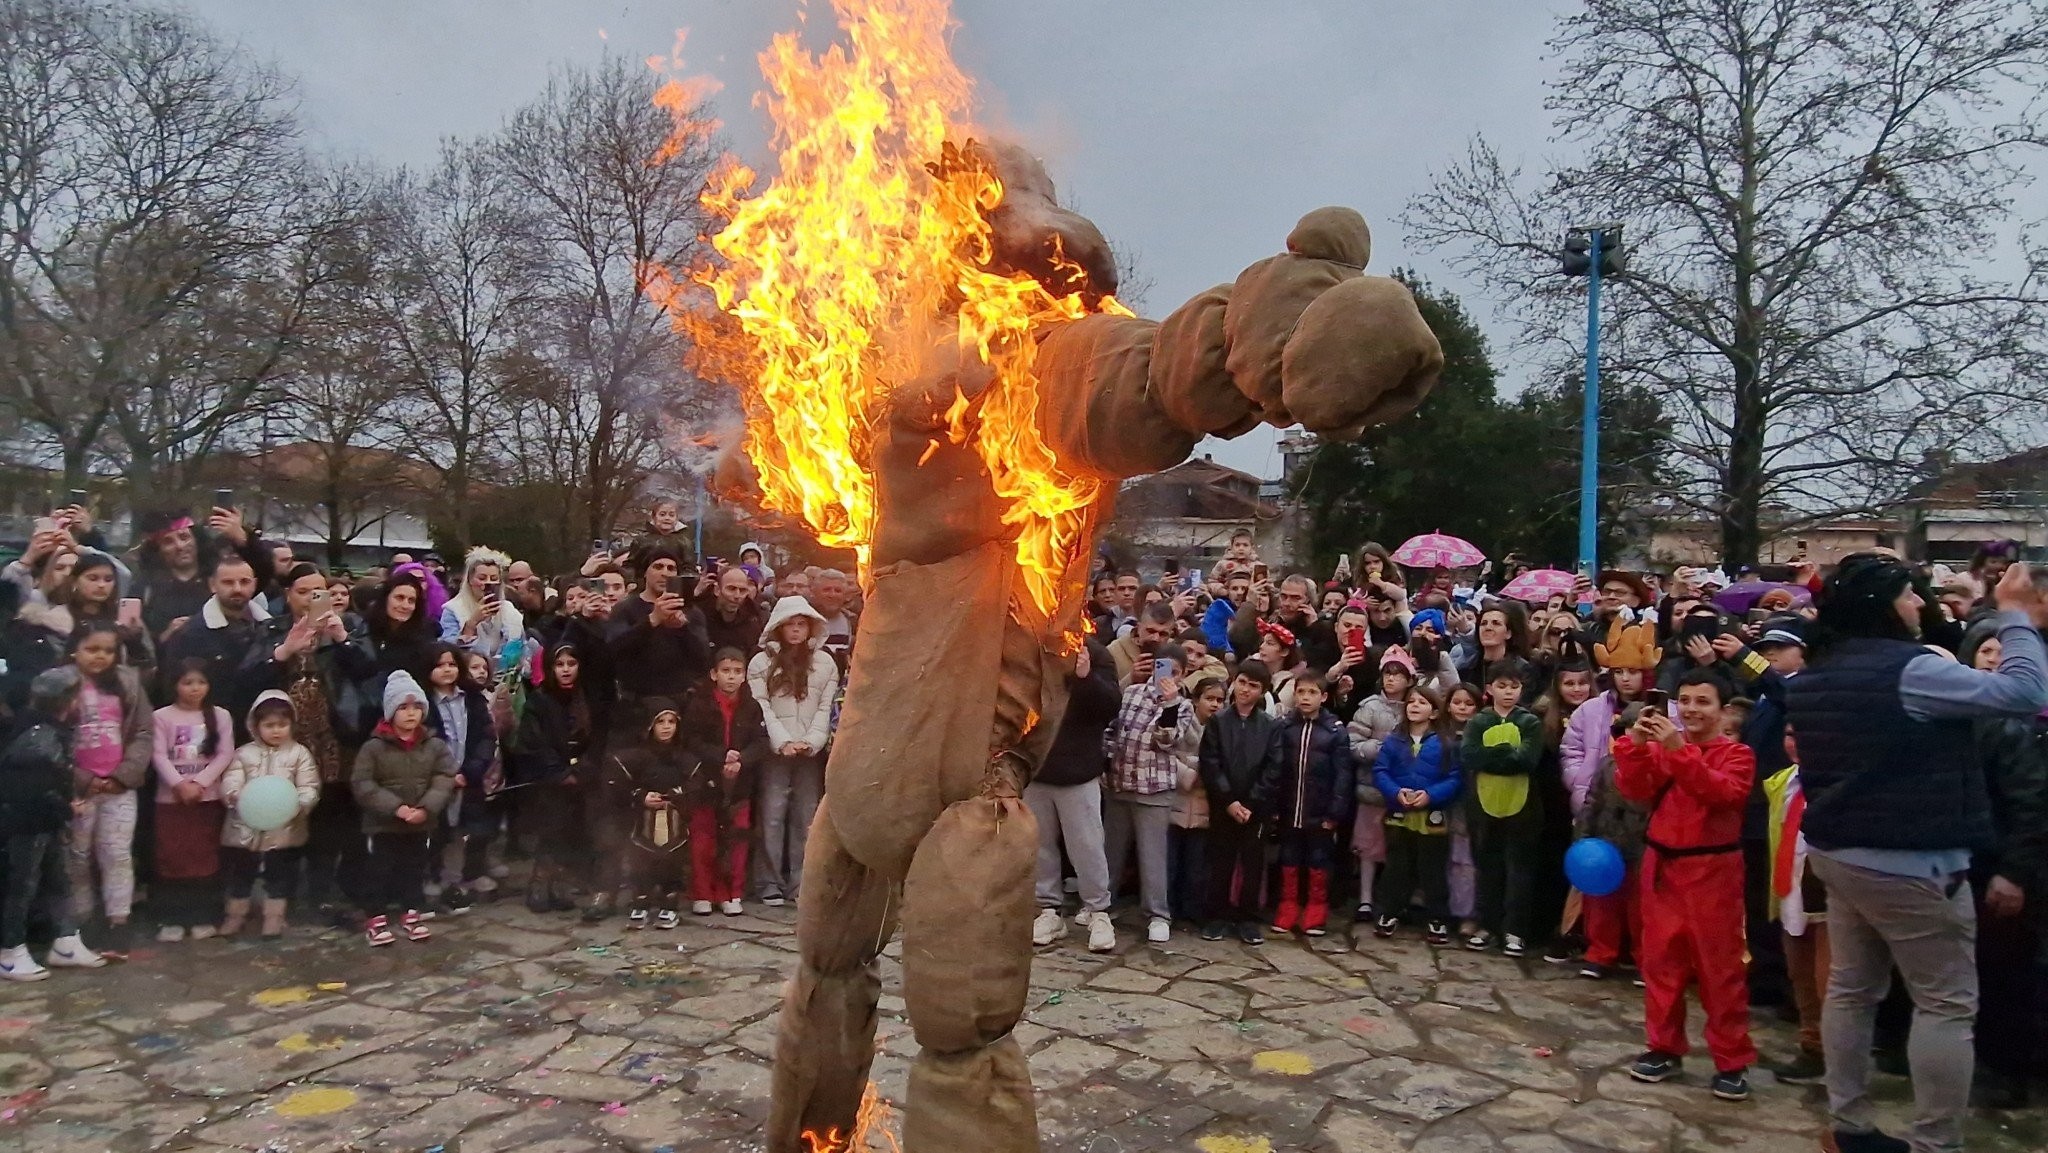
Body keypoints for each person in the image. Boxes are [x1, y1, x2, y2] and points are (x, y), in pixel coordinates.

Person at [1786, 553, 2048, 1153]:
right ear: (1883, 605)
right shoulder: (1910, 672)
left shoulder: (1818, 670)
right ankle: (1936, 1143)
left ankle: (1849, 1125)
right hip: (1914, 862)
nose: (1917, 606)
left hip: (1840, 854)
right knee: (1947, 1004)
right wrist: (2013, 618)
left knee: (1853, 990)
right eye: (1909, 595)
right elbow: (2025, 690)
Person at [1616, 668, 1758, 1102]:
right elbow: (1634, 789)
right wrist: (1637, 747)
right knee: (1661, 962)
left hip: (1712, 871)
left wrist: (1678, 750)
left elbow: (1723, 794)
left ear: (1723, 710)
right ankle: (1663, 1046)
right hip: (1662, 866)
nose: (1693, 710)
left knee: (1721, 968)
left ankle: (1731, 1059)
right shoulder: (1666, 749)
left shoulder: (1739, 755)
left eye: (1703, 702)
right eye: (1686, 701)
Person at [1956, 621, 2047, 1109]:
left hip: (2006, 866)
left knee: (2008, 972)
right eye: (1985, 651)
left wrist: (2013, 870)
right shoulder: (1962, 717)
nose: (1993, 660)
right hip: (1967, 866)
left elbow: (2029, 803)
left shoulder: (2013, 726)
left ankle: (2007, 1071)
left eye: (2002, 652)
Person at [1564, 618, 1666, 980]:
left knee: (1642, 905)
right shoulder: (1607, 763)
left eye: (1633, 671)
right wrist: (1584, 833)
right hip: (1605, 837)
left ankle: (1642, 957)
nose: (1626, 678)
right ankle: (1600, 952)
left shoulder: (1659, 761)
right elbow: (1592, 799)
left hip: (1643, 838)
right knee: (1601, 901)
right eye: (1618, 671)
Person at [0, 671, 109, 980]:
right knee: (22, 885)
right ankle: (10, 949)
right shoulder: (38, 735)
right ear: (68, 700)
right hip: (26, 822)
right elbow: (33, 786)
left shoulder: (53, 729)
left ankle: (66, 939)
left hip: (49, 819)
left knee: (58, 879)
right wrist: (66, 804)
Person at [56, 623, 152, 957]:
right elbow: (51, 738)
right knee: (77, 857)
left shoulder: (127, 682)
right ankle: (83, 922)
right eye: (92, 649)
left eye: (108, 651)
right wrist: (82, 779)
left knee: (117, 853)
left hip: (119, 787)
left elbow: (142, 732)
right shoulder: (60, 684)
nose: (100, 657)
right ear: (74, 650)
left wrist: (123, 775)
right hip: (77, 788)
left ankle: (118, 923)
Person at [1027, 639, 1121, 953]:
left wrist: (1085, 677)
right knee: (1040, 847)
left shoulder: (1095, 651)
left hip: (1079, 770)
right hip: (1037, 766)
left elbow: (1110, 706)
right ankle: (1049, 910)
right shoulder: (1033, 644)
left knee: (1087, 846)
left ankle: (1098, 910)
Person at [350, 670, 456, 945]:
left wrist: (426, 807)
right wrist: (396, 808)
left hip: (421, 822)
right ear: (390, 711)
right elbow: (363, 783)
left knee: (414, 866)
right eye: (403, 708)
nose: (411, 714)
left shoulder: (434, 745)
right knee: (379, 869)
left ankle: (411, 911)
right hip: (383, 824)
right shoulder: (373, 748)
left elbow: (444, 777)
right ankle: (375, 916)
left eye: (416, 707)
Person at [748, 596, 840, 908]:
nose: (797, 630)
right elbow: (761, 705)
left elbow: (826, 707)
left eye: (802, 624)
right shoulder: (761, 663)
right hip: (777, 751)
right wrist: (783, 741)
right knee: (772, 815)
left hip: (808, 752)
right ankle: (769, 881)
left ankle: (802, 882)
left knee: (807, 816)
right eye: (791, 624)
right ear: (779, 627)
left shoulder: (825, 663)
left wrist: (812, 741)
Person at [1255, 673, 1355, 937]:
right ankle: (1288, 905)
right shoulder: (1285, 727)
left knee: (1318, 859)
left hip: (1319, 809)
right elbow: (1275, 767)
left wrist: (1336, 810)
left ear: (1323, 697)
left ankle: (1316, 906)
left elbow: (1343, 774)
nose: (1306, 698)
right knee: (1289, 856)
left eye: (1312, 693)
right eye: (1301, 692)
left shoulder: (1335, 731)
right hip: (1289, 807)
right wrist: (1273, 804)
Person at [513, 644, 610, 914]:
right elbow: (533, 742)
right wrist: (558, 772)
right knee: (551, 830)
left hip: (584, 777)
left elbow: (597, 739)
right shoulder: (540, 701)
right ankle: (541, 884)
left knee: (576, 831)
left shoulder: (587, 698)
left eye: (571, 664)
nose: (566, 670)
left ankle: (561, 884)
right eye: (560, 664)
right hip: (549, 780)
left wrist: (583, 770)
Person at [218, 691, 321, 938]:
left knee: (278, 876)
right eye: (269, 725)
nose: (276, 731)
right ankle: (235, 915)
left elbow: (309, 786)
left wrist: (298, 804)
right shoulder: (243, 754)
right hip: (245, 829)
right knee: (241, 874)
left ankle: (274, 918)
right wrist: (233, 795)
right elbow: (231, 780)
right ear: (256, 726)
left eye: (282, 725)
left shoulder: (299, 754)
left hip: (283, 830)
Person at [1461, 658, 1545, 956]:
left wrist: (1496, 756)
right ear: (1489, 689)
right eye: (1502, 686)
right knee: (1487, 867)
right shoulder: (1479, 721)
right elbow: (1470, 755)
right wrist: (1506, 753)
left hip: (1522, 804)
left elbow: (1528, 760)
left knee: (1519, 870)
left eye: (1514, 686)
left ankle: (1515, 930)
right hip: (1483, 803)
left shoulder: (1530, 722)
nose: (1508, 692)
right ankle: (1488, 926)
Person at [1106, 641, 1188, 944]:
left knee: (1153, 857)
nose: (1165, 676)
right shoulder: (1131, 693)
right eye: (1161, 668)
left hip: (1153, 789)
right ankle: (1103, 905)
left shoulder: (1182, 705)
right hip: (1120, 782)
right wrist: (1108, 760)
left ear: (1182, 675)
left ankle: (1157, 914)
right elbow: (1112, 729)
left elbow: (1167, 740)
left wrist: (1169, 703)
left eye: (1174, 672)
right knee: (1110, 851)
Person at [150, 660, 235, 942]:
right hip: (171, 801)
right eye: (187, 682)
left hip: (207, 798)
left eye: (200, 682)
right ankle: (172, 918)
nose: (195, 688)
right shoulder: (161, 716)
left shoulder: (220, 715)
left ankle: (203, 916)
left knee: (204, 857)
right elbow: (159, 755)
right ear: (174, 684)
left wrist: (200, 783)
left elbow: (224, 754)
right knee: (172, 856)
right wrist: (179, 784)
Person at [684, 647, 770, 915]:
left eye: (737, 672)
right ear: (714, 674)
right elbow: (691, 741)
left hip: (740, 783)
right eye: (725, 671)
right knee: (704, 838)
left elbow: (761, 742)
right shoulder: (700, 705)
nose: (731, 678)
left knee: (737, 839)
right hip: (707, 781)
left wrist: (741, 759)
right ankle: (703, 892)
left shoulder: (752, 706)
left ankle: (732, 892)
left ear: (744, 676)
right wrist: (721, 756)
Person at [1372, 684, 1461, 943]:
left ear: (1434, 712)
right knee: (1397, 867)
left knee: (1432, 869)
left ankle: (1437, 918)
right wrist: (1395, 792)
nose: (1414, 706)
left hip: (1433, 816)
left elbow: (1455, 779)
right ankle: (1389, 913)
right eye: (1411, 701)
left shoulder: (1446, 743)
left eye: (1422, 702)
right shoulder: (1393, 740)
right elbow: (1380, 772)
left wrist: (1431, 795)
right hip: (1398, 814)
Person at [1197, 662, 1277, 944]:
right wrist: (1228, 800)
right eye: (1242, 682)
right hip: (1224, 804)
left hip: (1256, 807)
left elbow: (1273, 767)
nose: (1245, 690)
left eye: (1253, 686)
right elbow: (1210, 762)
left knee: (1252, 863)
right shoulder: (1219, 721)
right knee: (1221, 860)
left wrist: (1252, 802)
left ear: (1263, 691)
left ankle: (1247, 918)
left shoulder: (1270, 726)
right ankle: (1217, 916)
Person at [421, 643, 498, 911]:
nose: (447, 670)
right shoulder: (423, 703)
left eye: (452, 664)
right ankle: (431, 880)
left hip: (469, 778)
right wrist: (445, 775)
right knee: (437, 830)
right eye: (440, 665)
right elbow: (424, 743)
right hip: (436, 781)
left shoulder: (472, 699)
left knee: (463, 831)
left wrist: (470, 771)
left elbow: (487, 738)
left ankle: (455, 881)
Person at [605, 699, 693, 929]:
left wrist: (676, 795)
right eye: (660, 722)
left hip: (674, 821)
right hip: (643, 822)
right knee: (641, 862)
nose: (666, 727)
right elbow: (619, 783)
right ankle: (641, 903)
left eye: (671, 721)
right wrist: (641, 796)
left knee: (672, 863)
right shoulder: (637, 756)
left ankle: (669, 904)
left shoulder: (683, 757)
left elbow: (697, 783)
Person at [1346, 644, 1419, 923]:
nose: (1391, 679)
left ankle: (1395, 897)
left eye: (1398, 674)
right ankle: (1365, 898)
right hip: (1372, 786)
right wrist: (1381, 748)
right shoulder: (1370, 707)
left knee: (1398, 847)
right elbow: (1353, 744)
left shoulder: (1416, 705)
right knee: (1368, 845)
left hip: (1406, 789)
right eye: (1387, 674)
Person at [158, 554, 272, 731]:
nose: (237, 588)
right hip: (211, 731)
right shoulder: (190, 634)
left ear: (254, 584)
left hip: (266, 730)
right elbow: (171, 692)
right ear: (212, 585)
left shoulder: (270, 628)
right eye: (228, 582)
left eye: (244, 581)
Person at [613, 546, 713, 713]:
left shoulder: (691, 612)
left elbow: (703, 659)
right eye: (658, 567)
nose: (665, 573)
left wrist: (683, 629)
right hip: (637, 703)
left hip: (679, 702)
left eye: (671, 568)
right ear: (645, 572)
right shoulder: (625, 608)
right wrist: (652, 620)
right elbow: (614, 648)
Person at [1167, 677, 1224, 931]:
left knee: (1196, 865)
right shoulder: (1181, 724)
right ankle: (1167, 909)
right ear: (1195, 700)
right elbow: (1168, 755)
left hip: (1204, 809)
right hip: (1175, 803)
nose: (1214, 705)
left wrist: (1199, 765)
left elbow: (1221, 764)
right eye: (1209, 698)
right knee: (1170, 863)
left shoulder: (1223, 730)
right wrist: (1193, 770)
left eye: (1220, 700)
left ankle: (1192, 910)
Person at [440, 547, 524, 662]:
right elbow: (448, 649)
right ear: (469, 580)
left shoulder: (509, 610)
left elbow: (520, 644)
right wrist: (471, 624)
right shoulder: (453, 609)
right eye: (482, 578)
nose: (488, 583)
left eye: (493, 578)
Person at [703, 565, 768, 659]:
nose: (737, 596)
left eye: (742, 590)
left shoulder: (755, 621)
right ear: (717, 590)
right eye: (731, 589)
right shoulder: (700, 617)